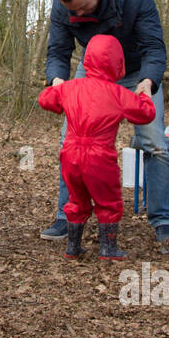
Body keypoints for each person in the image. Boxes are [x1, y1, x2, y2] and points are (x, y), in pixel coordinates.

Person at [43, 0, 169, 252]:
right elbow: (58, 49)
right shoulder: (62, 4)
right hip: (91, 73)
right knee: (71, 141)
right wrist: (57, 81)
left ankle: (163, 219)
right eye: (74, 11)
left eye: (83, 7)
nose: (79, 15)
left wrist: (148, 81)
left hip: (135, 71)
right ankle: (65, 217)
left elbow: (153, 46)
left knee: (154, 143)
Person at [38, 35, 157, 261]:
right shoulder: (118, 94)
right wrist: (144, 94)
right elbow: (145, 114)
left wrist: (58, 86)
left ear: (88, 59)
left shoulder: (72, 88)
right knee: (108, 200)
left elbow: (45, 100)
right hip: (99, 156)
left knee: (76, 198)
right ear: (118, 63)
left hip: (70, 154)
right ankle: (108, 248)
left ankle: (73, 247)